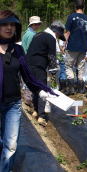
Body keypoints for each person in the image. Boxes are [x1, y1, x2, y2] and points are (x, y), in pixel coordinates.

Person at [0, 10, 55, 172]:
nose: (9, 28)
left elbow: (28, 77)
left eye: (13, 25)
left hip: (12, 105)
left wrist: (43, 89)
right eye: (5, 24)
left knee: (10, 145)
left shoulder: (17, 51)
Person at [26, 21, 66, 126]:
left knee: (36, 90)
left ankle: (35, 111)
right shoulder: (51, 38)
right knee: (43, 91)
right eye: (58, 36)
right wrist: (53, 74)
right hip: (38, 67)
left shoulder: (38, 35)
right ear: (57, 32)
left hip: (27, 66)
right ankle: (41, 116)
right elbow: (52, 57)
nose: (57, 38)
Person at [65, 0, 87, 95]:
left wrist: (63, 45)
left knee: (69, 66)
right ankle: (81, 89)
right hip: (84, 47)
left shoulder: (71, 17)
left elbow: (67, 33)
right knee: (81, 67)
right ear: (83, 7)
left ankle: (71, 88)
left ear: (75, 7)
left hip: (72, 46)